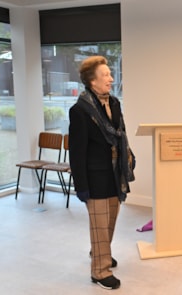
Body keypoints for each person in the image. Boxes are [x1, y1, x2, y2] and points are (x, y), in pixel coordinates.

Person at [69, 56, 135, 289]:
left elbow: (121, 133)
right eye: (105, 75)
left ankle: (99, 251)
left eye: (109, 74)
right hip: (94, 176)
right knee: (99, 222)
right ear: (92, 81)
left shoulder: (114, 103)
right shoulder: (79, 111)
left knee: (109, 221)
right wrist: (81, 186)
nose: (110, 78)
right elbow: (76, 152)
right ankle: (99, 270)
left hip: (114, 174)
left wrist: (130, 156)